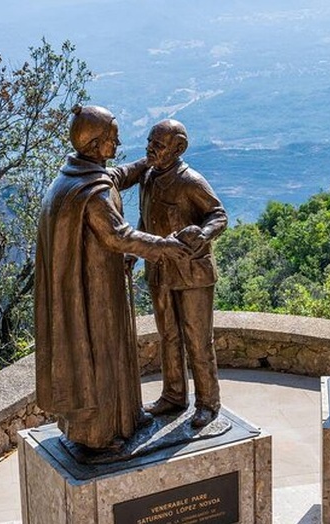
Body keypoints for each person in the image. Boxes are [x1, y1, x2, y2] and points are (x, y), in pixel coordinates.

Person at [34, 105, 189, 450]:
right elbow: (120, 237)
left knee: (112, 351)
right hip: (94, 296)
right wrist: (166, 246)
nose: (117, 145)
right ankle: (101, 434)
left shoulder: (77, 177)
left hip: (96, 287)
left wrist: (146, 164)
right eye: (111, 140)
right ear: (94, 145)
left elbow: (117, 175)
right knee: (102, 355)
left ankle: (125, 418)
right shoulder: (93, 193)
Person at [110, 119, 228, 428]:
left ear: (178, 149)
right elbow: (147, 220)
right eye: (149, 142)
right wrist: (135, 253)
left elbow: (219, 215)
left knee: (197, 340)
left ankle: (208, 402)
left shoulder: (191, 181)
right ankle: (174, 395)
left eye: (158, 145)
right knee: (169, 336)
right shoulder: (148, 177)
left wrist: (203, 234)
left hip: (192, 274)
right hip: (159, 270)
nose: (150, 149)